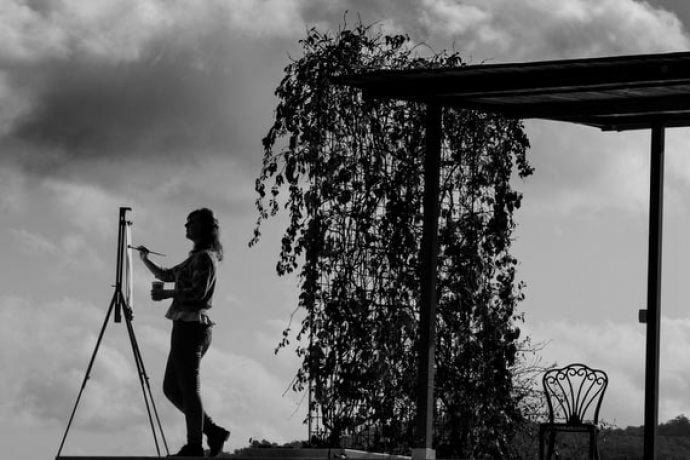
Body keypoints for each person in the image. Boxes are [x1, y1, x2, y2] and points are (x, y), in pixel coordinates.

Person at [139, 208, 230, 457]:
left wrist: (167, 294)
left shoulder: (204, 258)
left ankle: (194, 446)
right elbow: (167, 274)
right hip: (185, 326)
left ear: (202, 228)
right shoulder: (197, 257)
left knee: (189, 388)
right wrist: (145, 259)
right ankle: (212, 431)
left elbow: (198, 294)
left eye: (190, 223)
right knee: (172, 388)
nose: (185, 227)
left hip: (191, 327)